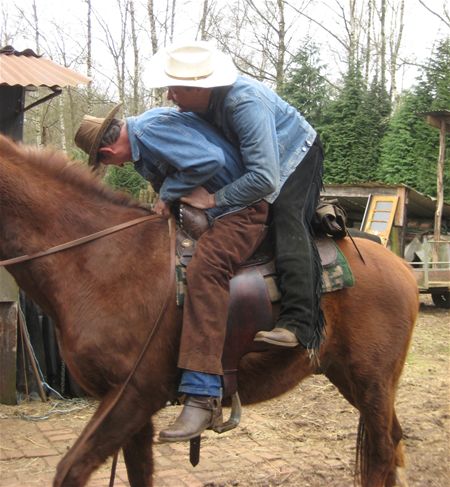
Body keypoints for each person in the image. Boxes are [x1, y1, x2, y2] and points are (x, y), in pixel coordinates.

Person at [74, 104, 269, 442]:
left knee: (205, 272)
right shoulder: (140, 143)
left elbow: (210, 162)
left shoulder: (150, 131)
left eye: (107, 162)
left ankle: (203, 392)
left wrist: (167, 192)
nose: (115, 165)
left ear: (107, 152)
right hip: (209, 209)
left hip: (239, 209)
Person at [146, 41, 325, 355]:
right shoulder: (201, 105)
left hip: (295, 152)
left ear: (202, 87)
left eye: (176, 89)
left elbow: (265, 177)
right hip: (262, 159)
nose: (169, 96)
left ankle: (300, 323)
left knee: (286, 216)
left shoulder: (244, 103)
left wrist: (215, 199)